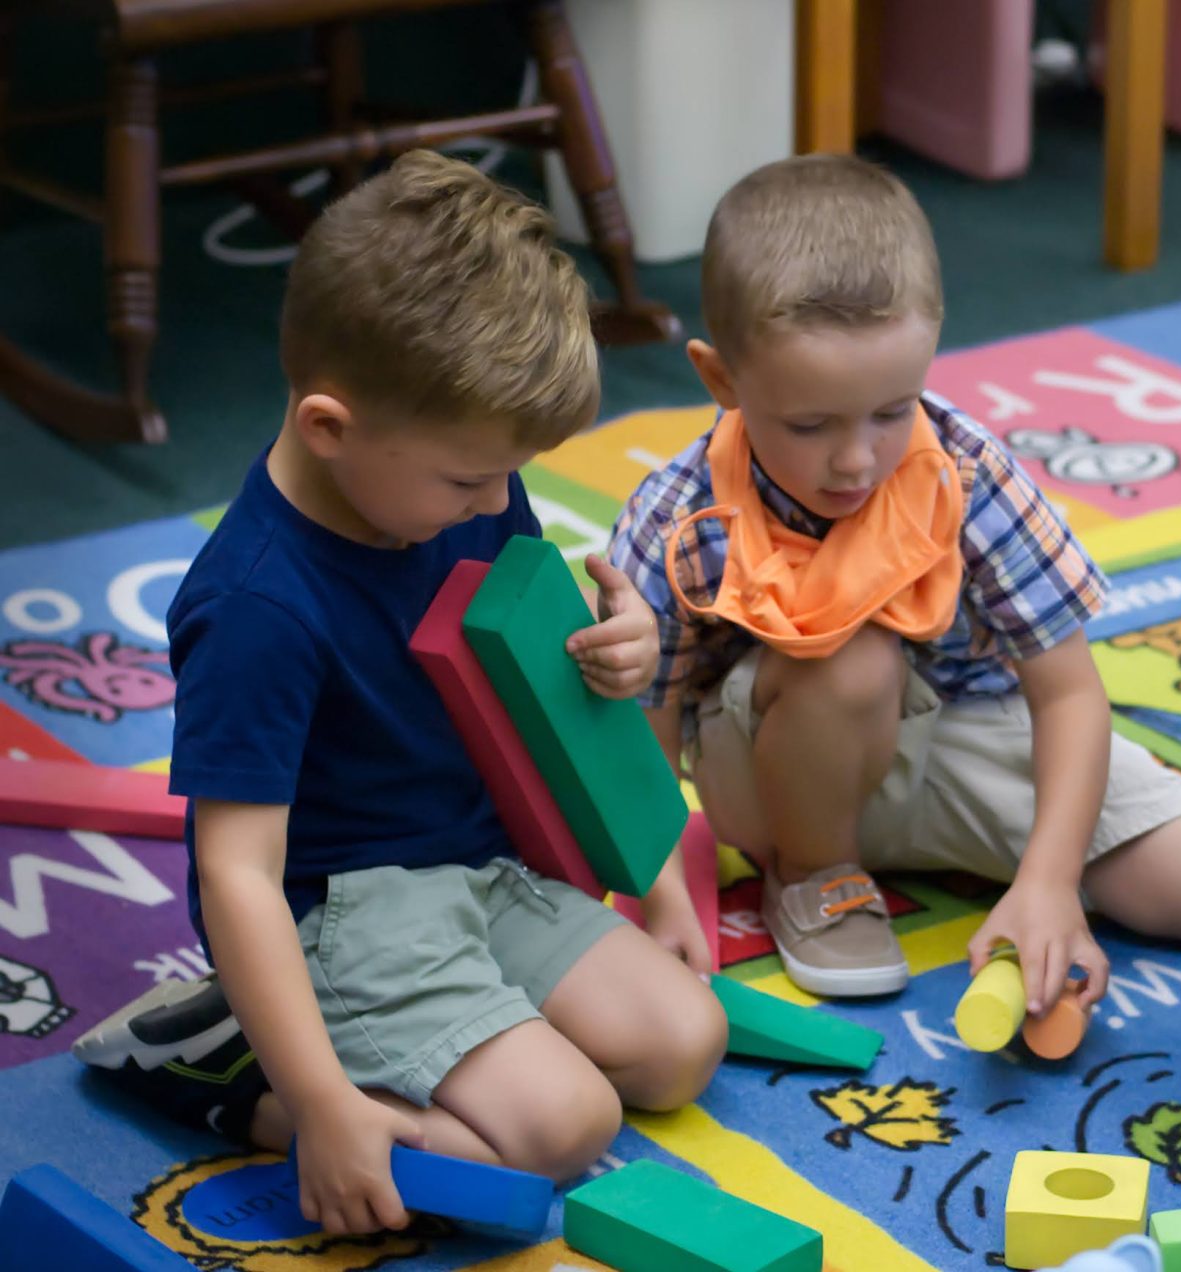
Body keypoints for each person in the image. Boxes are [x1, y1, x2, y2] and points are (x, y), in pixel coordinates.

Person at [75, 151, 725, 1236]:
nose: (493, 503)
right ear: (329, 426)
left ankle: (394, 1058)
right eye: (468, 479)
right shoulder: (256, 607)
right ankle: (228, 1071)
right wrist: (326, 1108)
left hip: (479, 866)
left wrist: (624, 650)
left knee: (681, 1042)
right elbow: (237, 874)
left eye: (502, 476)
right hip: (340, 915)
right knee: (564, 1127)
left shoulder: (454, 482)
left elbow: (534, 659)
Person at [607, 154, 1181, 1014]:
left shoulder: (968, 472)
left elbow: (1066, 697)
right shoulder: (678, 518)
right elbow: (639, 722)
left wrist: (1049, 884)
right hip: (779, 770)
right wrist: (657, 891)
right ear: (721, 380)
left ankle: (925, 858)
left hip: (962, 735)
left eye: (891, 410)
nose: (855, 460)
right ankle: (814, 873)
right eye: (810, 423)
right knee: (854, 658)